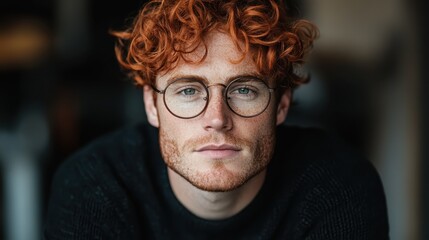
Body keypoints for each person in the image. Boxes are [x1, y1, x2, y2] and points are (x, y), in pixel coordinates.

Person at [44, 0, 389, 239]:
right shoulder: (91, 189)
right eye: (189, 91)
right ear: (152, 104)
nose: (217, 119)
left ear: (282, 104)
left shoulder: (338, 190)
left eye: (244, 91)